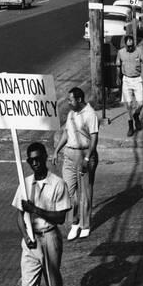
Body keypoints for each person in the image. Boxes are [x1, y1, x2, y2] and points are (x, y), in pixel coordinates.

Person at [12, 142, 71, 286]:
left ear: (45, 157)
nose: (35, 163)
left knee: (52, 279)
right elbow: (19, 216)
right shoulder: (25, 184)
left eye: (38, 159)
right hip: (30, 241)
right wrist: (26, 236)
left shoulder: (58, 184)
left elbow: (60, 218)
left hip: (50, 237)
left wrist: (36, 210)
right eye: (31, 160)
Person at [53, 87, 98, 241]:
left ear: (79, 99)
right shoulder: (72, 113)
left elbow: (94, 138)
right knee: (68, 192)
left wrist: (87, 159)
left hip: (84, 154)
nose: (68, 102)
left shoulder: (90, 114)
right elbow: (66, 132)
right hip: (69, 155)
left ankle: (85, 225)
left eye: (70, 100)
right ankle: (74, 222)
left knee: (85, 193)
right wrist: (57, 150)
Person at [116, 35, 143, 136]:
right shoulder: (121, 52)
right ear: (125, 45)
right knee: (128, 105)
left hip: (137, 79)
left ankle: (136, 115)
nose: (130, 47)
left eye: (132, 45)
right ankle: (130, 127)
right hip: (126, 80)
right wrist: (118, 78)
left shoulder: (139, 51)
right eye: (128, 46)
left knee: (140, 103)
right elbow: (118, 65)